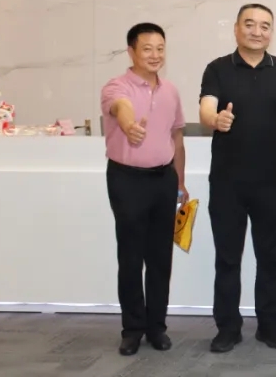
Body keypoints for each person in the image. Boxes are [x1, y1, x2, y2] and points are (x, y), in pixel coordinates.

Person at [198, 4, 276, 353]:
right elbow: (206, 107)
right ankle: (227, 328)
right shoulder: (217, 68)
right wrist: (216, 120)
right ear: (236, 28)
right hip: (227, 182)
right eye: (250, 24)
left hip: (271, 180)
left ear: (272, 31)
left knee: (270, 257)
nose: (257, 31)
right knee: (228, 258)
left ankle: (269, 324)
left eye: (265, 26)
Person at [100, 22, 187, 356]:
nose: (155, 55)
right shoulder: (116, 86)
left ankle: (156, 327)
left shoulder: (171, 90)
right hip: (127, 180)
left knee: (161, 257)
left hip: (164, 179)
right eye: (147, 48)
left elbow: (176, 137)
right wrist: (129, 126)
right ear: (131, 51)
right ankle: (132, 329)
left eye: (160, 48)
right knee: (131, 256)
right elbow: (120, 107)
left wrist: (179, 181)